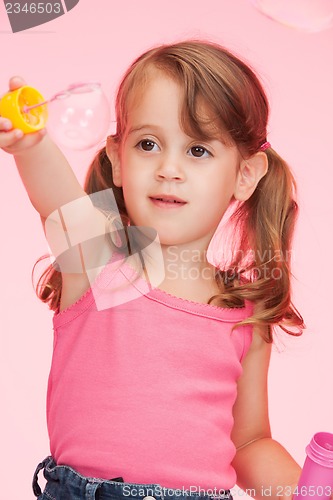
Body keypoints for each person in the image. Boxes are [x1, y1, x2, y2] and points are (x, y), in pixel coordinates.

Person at [1, 40, 305, 500]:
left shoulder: (246, 312)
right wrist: (32, 144)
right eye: (148, 144)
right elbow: (59, 202)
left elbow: (249, 442)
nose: (168, 168)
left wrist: (301, 491)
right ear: (117, 159)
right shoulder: (103, 261)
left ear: (245, 174)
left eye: (198, 151)